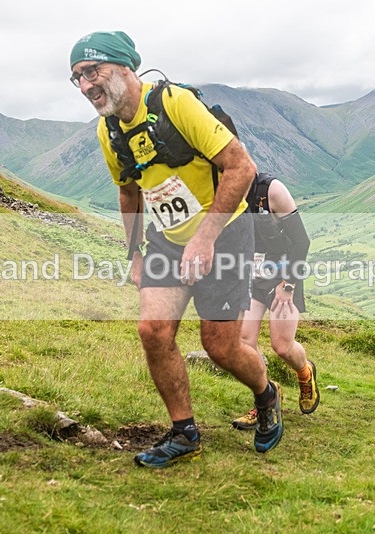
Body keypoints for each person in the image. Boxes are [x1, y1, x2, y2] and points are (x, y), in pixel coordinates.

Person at [70, 31, 283, 468]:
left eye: (93, 71)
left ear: (125, 67)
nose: (86, 85)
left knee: (220, 347)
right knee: (153, 332)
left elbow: (242, 167)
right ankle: (184, 433)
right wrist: (133, 253)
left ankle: (266, 394)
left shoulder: (175, 104)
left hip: (224, 234)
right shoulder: (108, 130)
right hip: (166, 241)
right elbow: (128, 192)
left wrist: (205, 238)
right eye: (76, 78)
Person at [232, 173, 320, 430]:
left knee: (281, 346)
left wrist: (289, 285)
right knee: (244, 342)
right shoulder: (223, 191)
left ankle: (305, 373)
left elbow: (302, 241)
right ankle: (266, 398)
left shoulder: (271, 191)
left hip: (284, 270)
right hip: (252, 271)